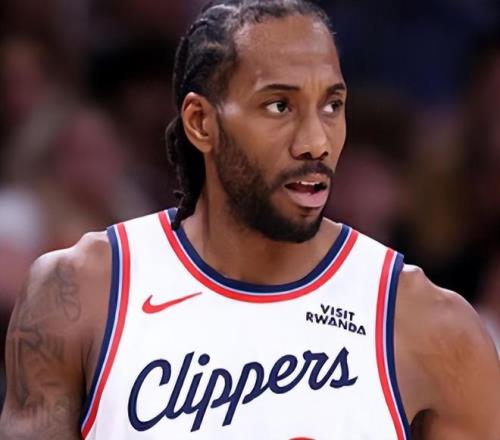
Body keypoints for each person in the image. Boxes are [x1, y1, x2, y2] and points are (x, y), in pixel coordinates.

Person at [1, 1, 499, 438]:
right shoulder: (80, 294)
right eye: (279, 106)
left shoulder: (431, 325)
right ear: (201, 122)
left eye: (332, 105)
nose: (316, 142)